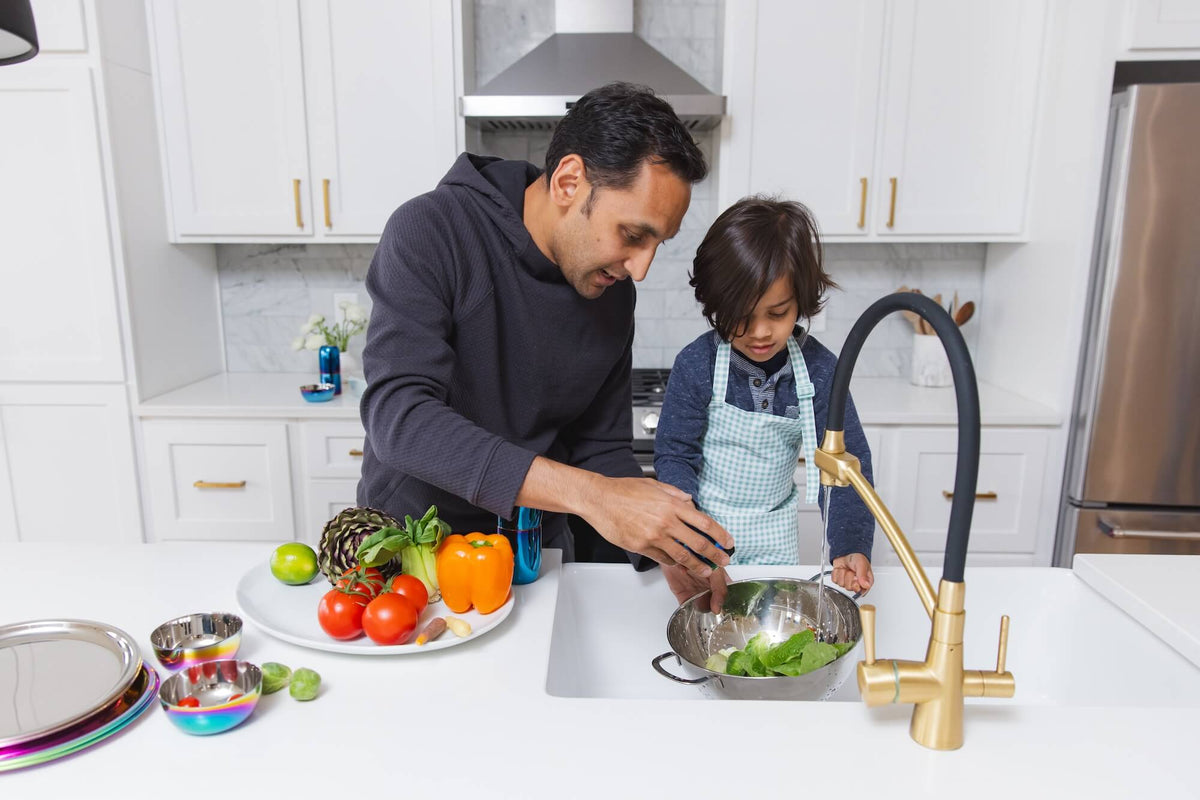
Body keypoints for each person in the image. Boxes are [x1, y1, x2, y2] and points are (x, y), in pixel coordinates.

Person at [357, 82, 732, 581]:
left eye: (657, 243)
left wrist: (667, 549)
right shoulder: (432, 230)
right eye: (633, 235)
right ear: (569, 182)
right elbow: (399, 421)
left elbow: (599, 446)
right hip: (414, 555)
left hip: (537, 557)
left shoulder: (612, 291)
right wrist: (591, 495)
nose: (640, 268)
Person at [654, 197, 876, 607]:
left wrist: (850, 544)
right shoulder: (697, 365)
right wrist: (686, 536)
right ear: (716, 303)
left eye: (777, 313)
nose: (759, 332)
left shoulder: (821, 371)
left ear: (801, 301)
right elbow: (674, 456)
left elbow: (845, 465)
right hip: (705, 536)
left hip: (776, 539)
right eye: (741, 314)